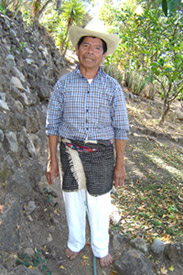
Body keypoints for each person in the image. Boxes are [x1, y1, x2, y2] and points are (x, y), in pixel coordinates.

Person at [45, 19, 129, 267]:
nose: (90, 51)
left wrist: (120, 165)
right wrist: (52, 160)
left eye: (96, 47)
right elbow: (53, 124)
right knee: (72, 199)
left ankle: (101, 247)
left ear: (103, 55)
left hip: (101, 153)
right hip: (69, 150)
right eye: (85, 45)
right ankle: (76, 242)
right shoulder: (63, 84)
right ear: (78, 49)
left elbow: (121, 128)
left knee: (99, 203)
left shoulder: (112, 87)